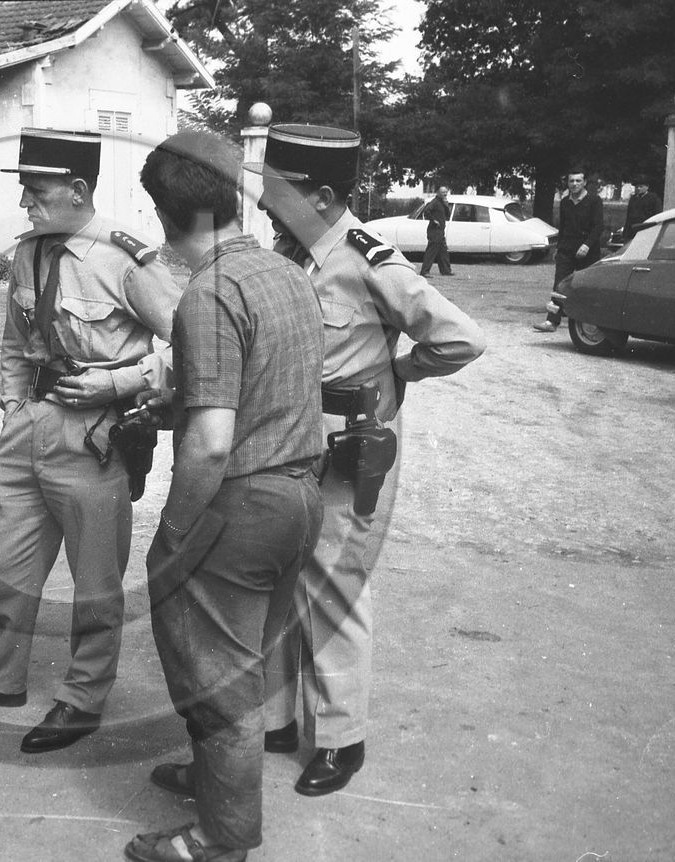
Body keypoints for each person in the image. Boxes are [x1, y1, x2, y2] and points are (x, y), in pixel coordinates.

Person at [0, 128, 181, 753]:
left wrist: (119, 382)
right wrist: (14, 406)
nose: (25, 203)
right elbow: (17, 343)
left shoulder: (125, 259)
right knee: (3, 567)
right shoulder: (30, 253)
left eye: (37, 191)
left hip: (95, 436)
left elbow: (194, 342)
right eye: (24, 190)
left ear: (77, 189)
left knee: (95, 580)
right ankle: (1, 679)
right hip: (28, 428)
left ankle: (83, 697)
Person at [255, 123, 486, 797]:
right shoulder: (289, 254)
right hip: (282, 439)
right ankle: (274, 721)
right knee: (276, 582)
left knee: (333, 588)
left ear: (323, 197)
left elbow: (460, 338)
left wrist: (398, 372)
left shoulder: (368, 260)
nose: (265, 202)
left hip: (342, 447)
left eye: (279, 191)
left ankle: (340, 740)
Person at [123, 129, 325, 862]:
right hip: (300, 497)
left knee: (218, 686)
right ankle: (213, 783)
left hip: (239, 507)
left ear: (165, 214)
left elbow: (212, 443)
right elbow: (267, 383)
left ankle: (219, 839)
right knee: (243, 665)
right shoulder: (286, 272)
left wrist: (176, 530)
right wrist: (179, 402)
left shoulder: (208, 294)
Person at [533, 169, 604, 332]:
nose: (574, 184)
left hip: (588, 251)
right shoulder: (565, 202)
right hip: (567, 249)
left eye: (578, 181)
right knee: (559, 286)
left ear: (584, 182)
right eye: (571, 181)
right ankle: (551, 321)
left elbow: (598, 227)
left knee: (586, 286)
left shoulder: (594, 201)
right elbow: (563, 227)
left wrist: (587, 245)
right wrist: (558, 248)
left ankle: (589, 324)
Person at [418, 185, 453, 276]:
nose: (445, 194)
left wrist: (446, 205)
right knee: (431, 251)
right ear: (438, 193)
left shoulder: (443, 202)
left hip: (440, 231)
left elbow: (447, 215)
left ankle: (445, 271)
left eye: (446, 192)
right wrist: (434, 220)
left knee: (443, 252)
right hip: (434, 231)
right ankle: (424, 271)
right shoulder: (434, 202)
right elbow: (426, 211)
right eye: (443, 192)